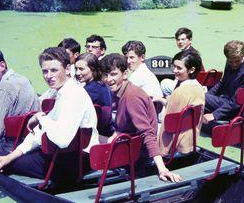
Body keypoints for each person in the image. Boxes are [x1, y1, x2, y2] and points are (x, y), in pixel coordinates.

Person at [0, 47, 99, 179]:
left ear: (68, 69)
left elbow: (62, 140)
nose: (48, 76)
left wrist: (41, 118)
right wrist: (11, 156)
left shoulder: (72, 96)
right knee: (13, 158)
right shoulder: (65, 92)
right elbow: (39, 133)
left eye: (54, 70)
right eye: (45, 71)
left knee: (9, 165)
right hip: (71, 156)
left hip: (76, 161)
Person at [99, 53, 181, 182]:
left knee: (87, 145)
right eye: (105, 75)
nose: (108, 79)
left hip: (136, 152)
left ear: (125, 74)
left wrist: (162, 168)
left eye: (113, 74)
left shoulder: (132, 96)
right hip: (128, 141)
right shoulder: (119, 91)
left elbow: (147, 133)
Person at [0, 47, 40, 163]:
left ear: (2, 66)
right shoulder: (22, 78)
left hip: (10, 147)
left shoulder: (4, 88)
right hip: (30, 140)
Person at [157, 50, 205, 155]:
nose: (174, 70)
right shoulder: (200, 89)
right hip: (190, 142)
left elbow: (168, 125)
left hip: (174, 146)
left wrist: (161, 151)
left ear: (192, 70)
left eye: (179, 68)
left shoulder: (179, 92)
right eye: (174, 67)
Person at [203, 40, 244, 124]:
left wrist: (214, 115)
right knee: (199, 96)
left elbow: (237, 102)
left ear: (243, 55)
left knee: (200, 98)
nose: (233, 64)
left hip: (239, 110)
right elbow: (222, 83)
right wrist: (207, 96)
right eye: (230, 61)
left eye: (237, 61)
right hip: (226, 100)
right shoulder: (230, 61)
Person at [75, 53, 113, 136]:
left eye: (81, 69)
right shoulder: (104, 85)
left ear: (93, 69)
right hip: (107, 131)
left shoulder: (88, 91)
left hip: (94, 136)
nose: (77, 73)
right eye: (76, 69)